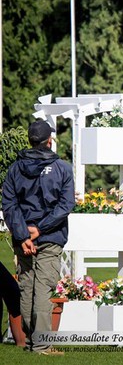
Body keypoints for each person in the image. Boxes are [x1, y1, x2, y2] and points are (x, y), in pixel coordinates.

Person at [1, 119, 74, 355]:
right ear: (49, 141)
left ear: (30, 141)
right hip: (50, 235)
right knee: (43, 288)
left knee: (27, 286)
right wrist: (39, 230)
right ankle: (42, 344)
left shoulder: (14, 169)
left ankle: (33, 341)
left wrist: (24, 235)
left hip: (23, 237)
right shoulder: (62, 168)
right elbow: (65, 205)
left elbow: (9, 205)